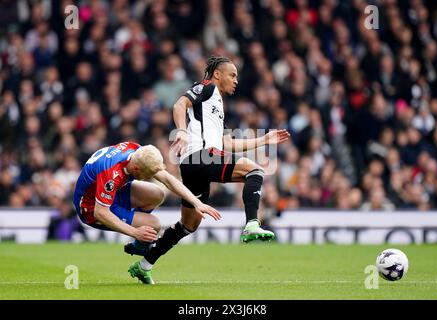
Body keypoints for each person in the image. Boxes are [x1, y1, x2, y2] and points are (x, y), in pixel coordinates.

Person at [130, 56, 290, 284]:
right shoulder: (207, 87)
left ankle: (144, 265)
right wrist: (182, 132)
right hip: (200, 156)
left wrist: (264, 139)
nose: (236, 81)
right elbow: (179, 104)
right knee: (254, 171)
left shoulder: (216, 106)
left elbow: (228, 144)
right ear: (217, 74)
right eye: (232, 75)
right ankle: (252, 224)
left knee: (188, 225)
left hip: (194, 164)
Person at [73, 141, 221, 284]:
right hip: (91, 207)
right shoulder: (111, 174)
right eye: (148, 174)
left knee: (157, 194)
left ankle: (138, 243)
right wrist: (135, 232)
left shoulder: (137, 151)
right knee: (153, 225)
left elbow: (168, 180)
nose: (149, 177)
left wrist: (197, 203)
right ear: (136, 169)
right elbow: (101, 213)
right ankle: (140, 243)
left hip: (112, 192)